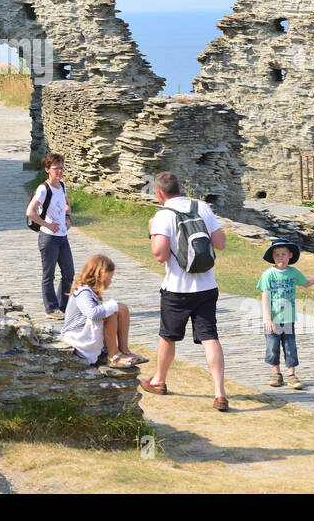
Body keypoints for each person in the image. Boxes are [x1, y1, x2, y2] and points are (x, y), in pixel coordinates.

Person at [138, 171, 230, 410]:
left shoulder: (163, 215)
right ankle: (220, 393)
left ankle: (159, 381)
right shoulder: (202, 207)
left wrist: (152, 232)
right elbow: (220, 243)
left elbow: (159, 255)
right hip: (207, 285)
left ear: (159, 193)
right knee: (210, 338)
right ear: (180, 187)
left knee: (168, 336)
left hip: (177, 288)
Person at [257, 239, 314, 389]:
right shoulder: (269, 275)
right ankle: (276, 374)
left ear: (290, 256)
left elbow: (306, 283)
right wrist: (268, 319)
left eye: (283, 254)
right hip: (273, 320)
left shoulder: (293, 272)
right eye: (277, 255)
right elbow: (265, 297)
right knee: (273, 347)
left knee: (290, 347)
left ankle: (292, 375)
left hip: (288, 320)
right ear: (273, 257)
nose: (280, 258)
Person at [61, 253, 147, 368]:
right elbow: (92, 313)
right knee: (112, 312)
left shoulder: (91, 293)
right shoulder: (82, 291)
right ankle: (113, 357)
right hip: (76, 338)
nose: (111, 281)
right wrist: (111, 305)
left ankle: (124, 351)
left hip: (85, 336)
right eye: (109, 277)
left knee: (122, 308)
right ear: (100, 275)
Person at [26, 152, 73, 316]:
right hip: (48, 238)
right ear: (47, 169)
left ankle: (63, 306)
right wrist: (47, 224)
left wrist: (67, 217)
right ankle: (51, 308)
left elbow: (67, 204)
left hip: (62, 237)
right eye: (56, 168)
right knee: (49, 274)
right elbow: (30, 212)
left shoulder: (63, 185)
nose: (60, 171)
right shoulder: (43, 189)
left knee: (69, 273)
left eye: (61, 168)